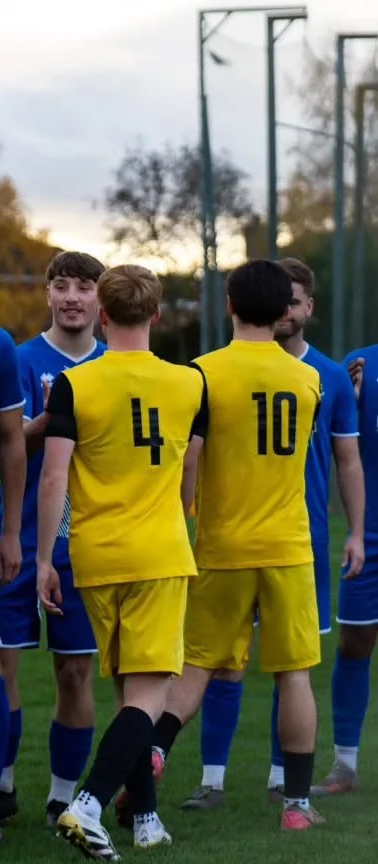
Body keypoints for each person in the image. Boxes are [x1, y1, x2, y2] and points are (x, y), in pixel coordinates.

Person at [143, 258, 331, 832]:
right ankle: (297, 807)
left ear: (228, 306)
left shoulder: (201, 374)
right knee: (294, 675)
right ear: (283, 313)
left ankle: (151, 756)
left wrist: (182, 519)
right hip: (287, 547)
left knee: (195, 666)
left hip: (221, 545)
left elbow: (190, 461)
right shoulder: (307, 378)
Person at [182, 257, 364, 809]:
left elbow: (348, 461)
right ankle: (214, 781)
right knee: (238, 668)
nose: (289, 309)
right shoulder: (296, 378)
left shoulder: (329, 375)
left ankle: (282, 779)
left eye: (299, 298)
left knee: (268, 666)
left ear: (307, 307)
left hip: (291, 538)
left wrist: (355, 531)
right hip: (266, 541)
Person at [38, 264, 205, 861]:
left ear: (103, 315)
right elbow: (191, 468)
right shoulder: (190, 383)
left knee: (129, 690)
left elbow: (54, 475)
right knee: (147, 696)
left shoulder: (72, 384)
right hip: (159, 550)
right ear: (157, 315)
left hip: (95, 553)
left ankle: (147, 820)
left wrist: (42, 560)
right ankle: (89, 805)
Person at [0, 252, 106, 829]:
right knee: (2, 666)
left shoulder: (117, 365)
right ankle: (1, 785)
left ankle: (62, 796)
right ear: (47, 295)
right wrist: (50, 422)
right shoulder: (17, 360)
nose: (71, 297)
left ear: (99, 300)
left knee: (75, 672)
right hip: (17, 537)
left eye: (83, 288)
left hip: (87, 543)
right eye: (60, 285)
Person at [320, 341, 378, 794]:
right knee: (355, 641)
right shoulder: (361, 364)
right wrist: (352, 407)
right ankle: (345, 765)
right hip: (372, 533)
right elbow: (335, 443)